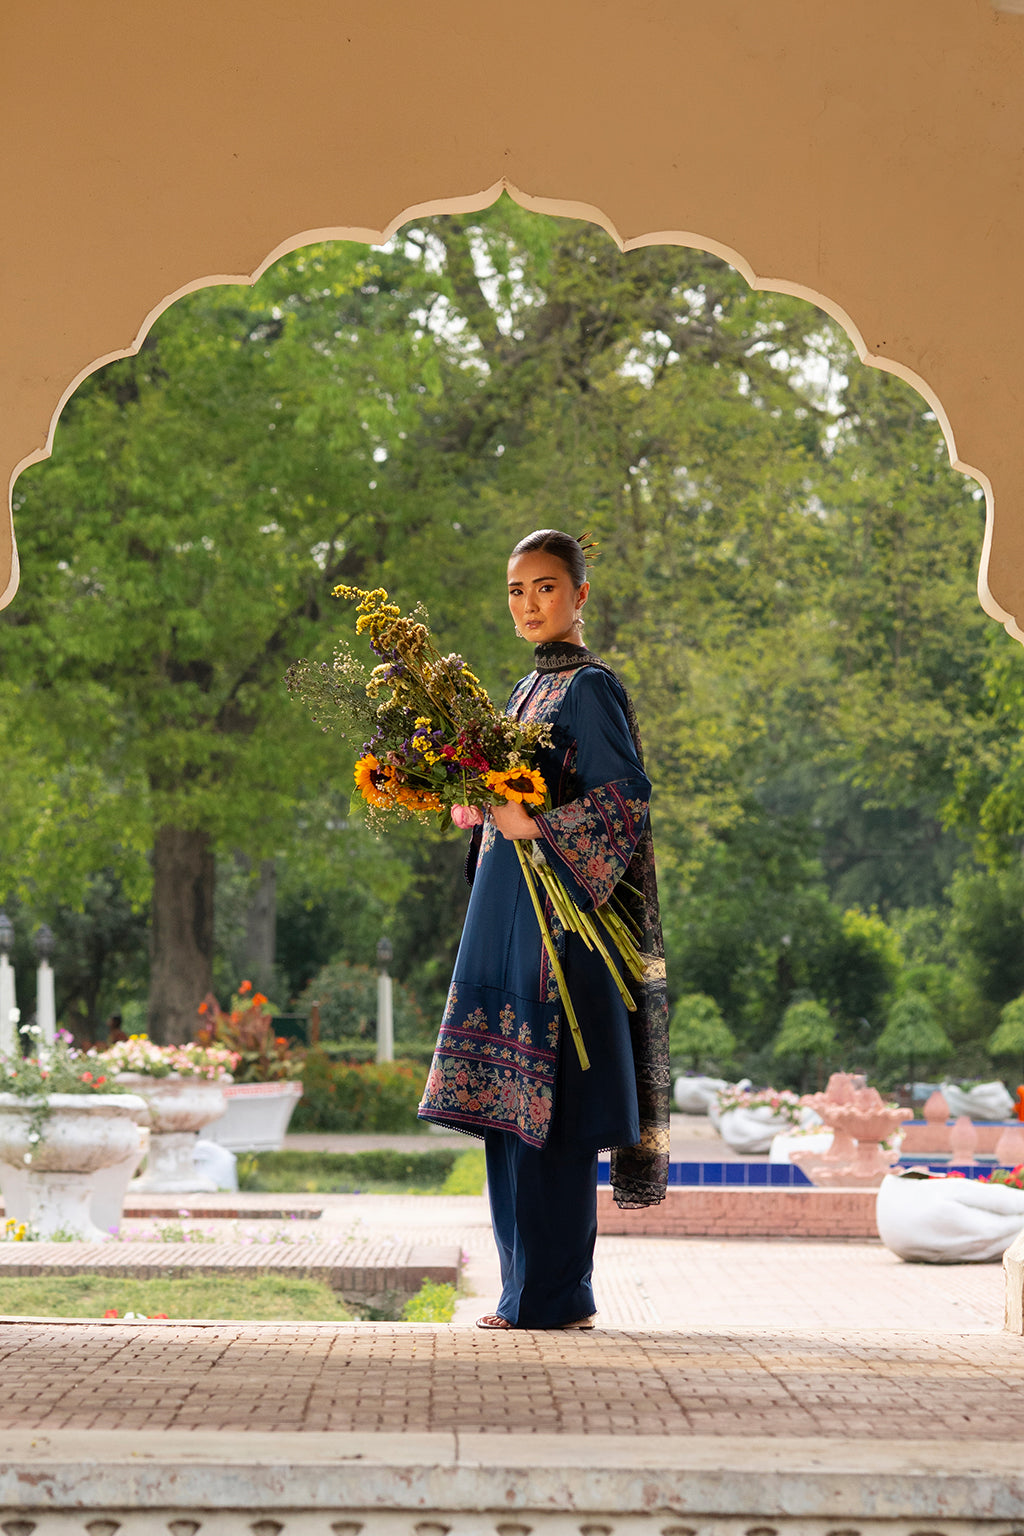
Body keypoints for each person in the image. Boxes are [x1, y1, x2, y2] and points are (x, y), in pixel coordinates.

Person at [418, 528, 670, 1329]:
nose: (529, 605)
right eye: (516, 591)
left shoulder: (590, 689)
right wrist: (469, 802)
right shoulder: (524, 690)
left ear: (580, 594)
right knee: (507, 1107)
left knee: (550, 1112)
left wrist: (533, 825)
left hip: (559, 928)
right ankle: (522, 1292)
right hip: (505, 915)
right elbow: (509, 792)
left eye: (546, 587)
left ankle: (554, 1297)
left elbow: (624, 799)